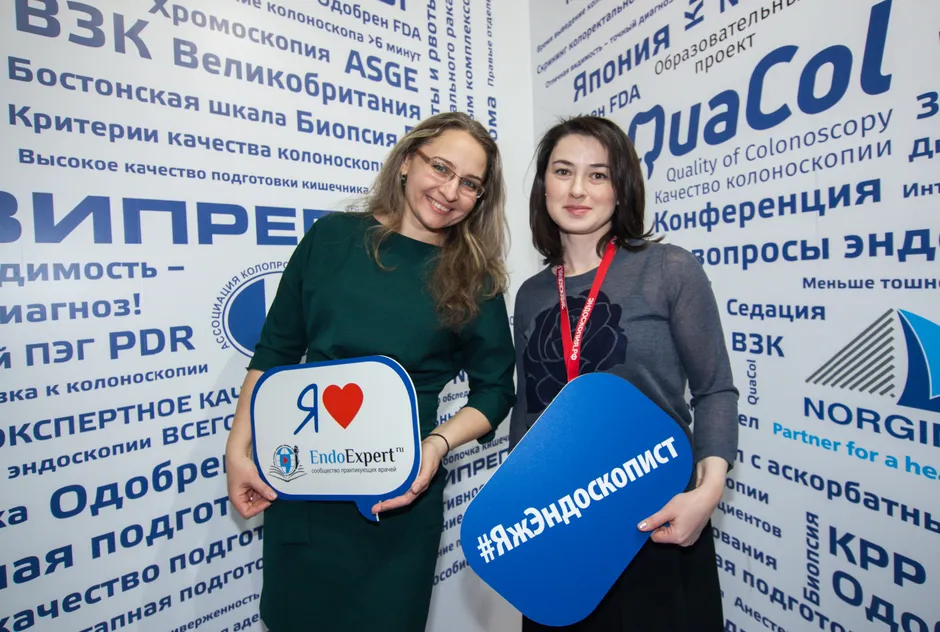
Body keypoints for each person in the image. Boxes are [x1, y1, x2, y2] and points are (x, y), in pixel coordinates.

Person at [224, 111, 516, 632]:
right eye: (441, 168)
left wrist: (436, 446)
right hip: (303, 481)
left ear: (480, 198)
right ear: (407, 162)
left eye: (470, 183)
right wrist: (238, 449)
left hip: (399, 495)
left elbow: (495, 389)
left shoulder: (476, 278)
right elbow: (276, 350)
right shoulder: (331, 237)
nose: (450, 191)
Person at [508, 115, 738, 631]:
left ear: (622, 188)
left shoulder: (668, 268)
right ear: (544, 184)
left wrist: (707, 493)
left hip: (654, 518)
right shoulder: (531, 294)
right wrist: (519, 505)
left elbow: (715, 390)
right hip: (558, 522)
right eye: (563, 171)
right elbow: (528, 413)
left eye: (598, 175)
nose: (577, 189)